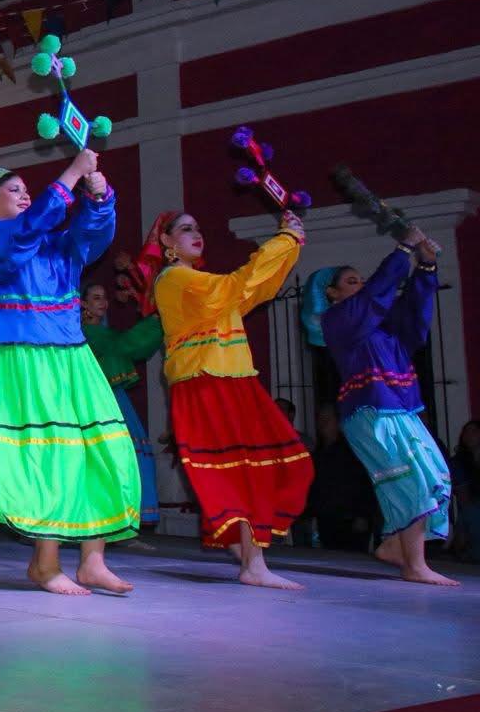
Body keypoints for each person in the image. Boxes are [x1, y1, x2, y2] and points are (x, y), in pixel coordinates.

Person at [0, 152, 140, 596]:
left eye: (26, 191)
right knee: (49, 455)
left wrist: (98, 199)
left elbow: (90, 238)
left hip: (71, 354)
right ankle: (45, 563)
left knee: (101, 449)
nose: (24, 197)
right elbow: (24, 233)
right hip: (23, 356)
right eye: (13, 191)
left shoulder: (53, 242)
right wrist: (72, 173)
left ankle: (94, 560)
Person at [138, 208, 313, 589]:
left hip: (232, 379)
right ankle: (253, 562)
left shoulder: (201, 283)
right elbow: (235, 286)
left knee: (269, 464)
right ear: (166, 243)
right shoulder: (174, 279)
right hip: (205, 382)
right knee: (242, 470)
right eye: (184, 230)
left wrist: (290, 246)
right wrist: (282, 240)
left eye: (197, 227)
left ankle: (248, 553)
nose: (195, 234)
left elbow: (255, 290)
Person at [310, 238, 459, 586]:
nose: (361, 286)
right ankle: (414, 564)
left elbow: (416, 315)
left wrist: (426, 266)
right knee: (413, 482)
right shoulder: (339, 321)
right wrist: (402, 252)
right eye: (351, 281)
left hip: (400, 408)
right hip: (372, 410)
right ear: (331, 293)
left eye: (362, 280)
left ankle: (395, 545)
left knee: (435, 476)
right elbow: (374, 296)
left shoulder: (384, 327)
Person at [80, 281, 164, 530]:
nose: (102, 302)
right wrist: (154, 321)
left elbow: (126, 345)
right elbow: (124, 345)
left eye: (104, 297)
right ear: (83, 303)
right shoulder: (85, 332)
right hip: (94, 401)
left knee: (125, 458)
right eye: (95, 297)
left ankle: (122, 525)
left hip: (113, 398)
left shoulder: (103, 334)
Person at [301, 401, 377, 552]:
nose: (323, 424)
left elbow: (364, 484)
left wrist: (362, 515)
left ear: (338, 422)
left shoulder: (352, 452)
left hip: (350, 519)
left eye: (327, 420)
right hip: (327, 519)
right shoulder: (319, 454)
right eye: (320, 420)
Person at [454, 420, 480, 562]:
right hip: (472, 508)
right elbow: (464, 498)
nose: (469, 436)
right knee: (472, 513)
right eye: (466, 432)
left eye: (474, 431)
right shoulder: (459, 462)